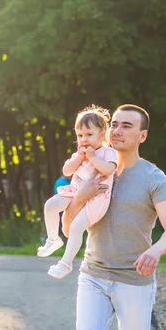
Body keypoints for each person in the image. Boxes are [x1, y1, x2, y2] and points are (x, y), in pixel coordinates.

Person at [62, 104, 166, 330]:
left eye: (127, 126)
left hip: (134, 281)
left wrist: (155, 251)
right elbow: (68, 229)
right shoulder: (90, 168)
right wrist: (81, 195)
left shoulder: (153, 177)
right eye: (114, 124)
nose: (117, 130)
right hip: (92, 276)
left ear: (142, 136)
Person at [37, 105, 117, 280]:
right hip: (75, 191)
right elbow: (66, 171)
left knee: (75, 228)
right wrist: (80, 158)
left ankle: (65, 264)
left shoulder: (107, 152)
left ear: (102, 134)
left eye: (89, 135)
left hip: (97, 198)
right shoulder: (79, 154)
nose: (84, 139)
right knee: (51, 205)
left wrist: (93, 157)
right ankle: (53, 239)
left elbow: (108, 170)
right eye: (80, 135)